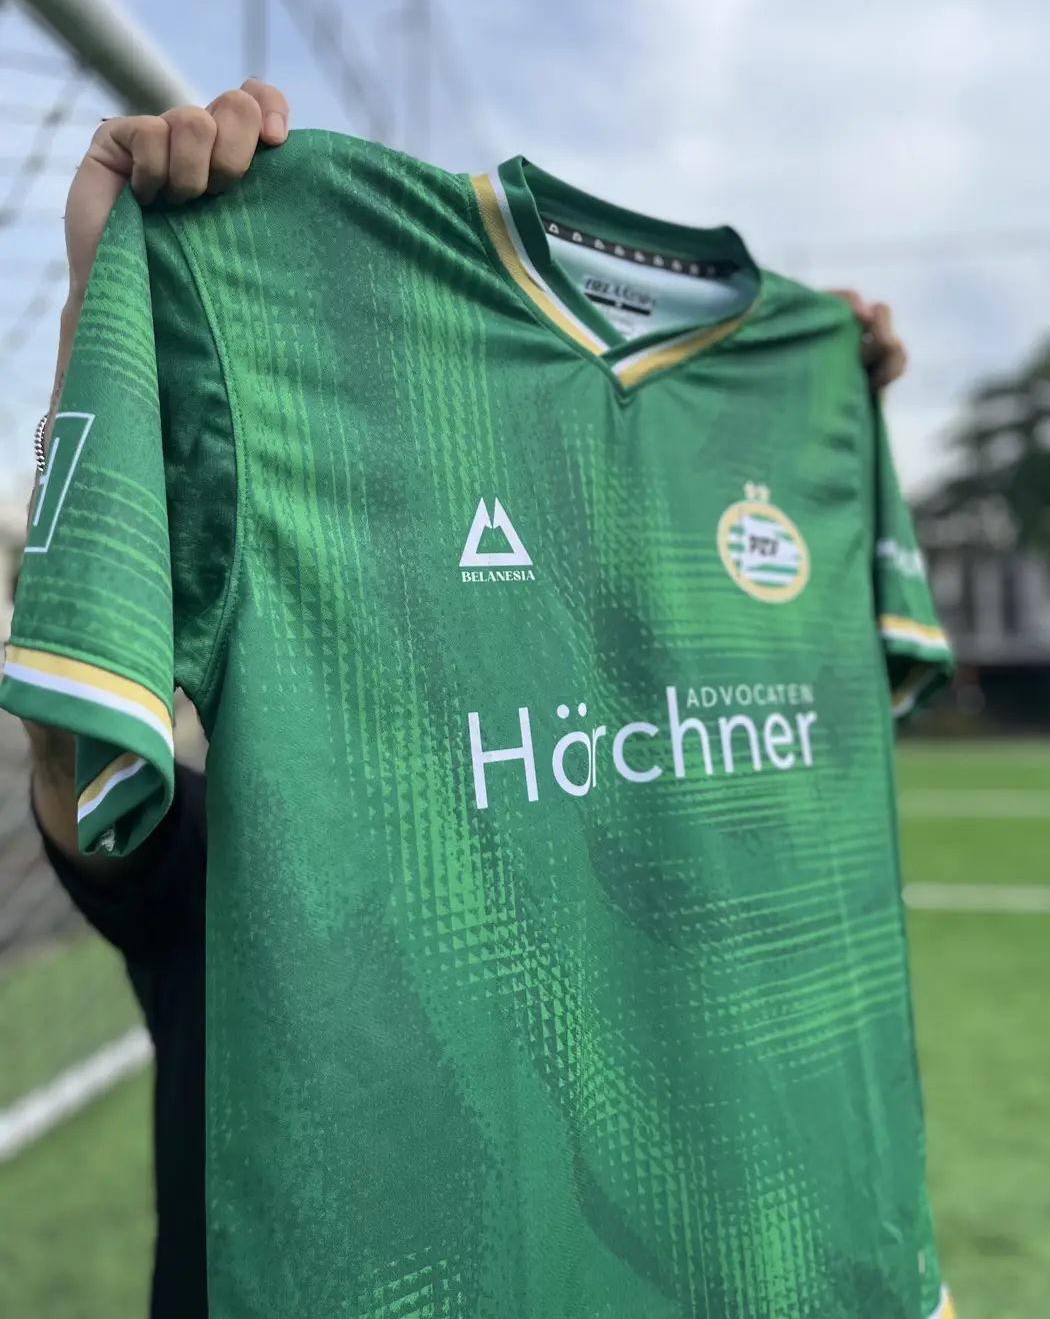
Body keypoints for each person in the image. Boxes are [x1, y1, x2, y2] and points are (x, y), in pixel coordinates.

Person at [25, 84, 914, 1319]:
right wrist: (113, 322)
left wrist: (816, 414)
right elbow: (73, 761)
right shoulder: (248, 833)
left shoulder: (642, 797)